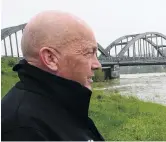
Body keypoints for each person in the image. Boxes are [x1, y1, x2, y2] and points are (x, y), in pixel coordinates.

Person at [1, 10, 105, 141]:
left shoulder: (63, 104)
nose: (97, 65)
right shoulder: (22, 128)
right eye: (89, 53)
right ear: (50, 58)